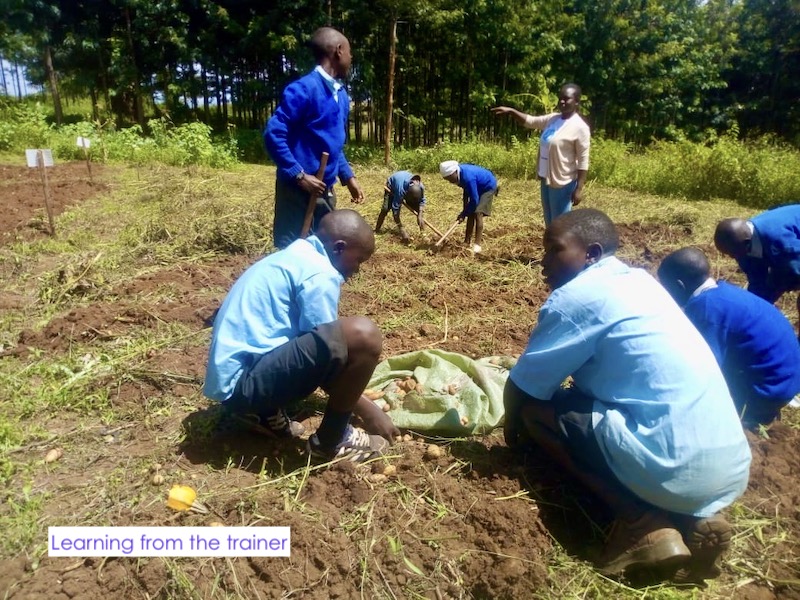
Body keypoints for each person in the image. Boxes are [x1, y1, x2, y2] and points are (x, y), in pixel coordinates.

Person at [504, 209, 751, 582]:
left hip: (670, 466)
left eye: (554, 251)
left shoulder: (576, 298)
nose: (543, 263)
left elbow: (524, 388)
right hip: (728, 468)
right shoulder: (642, 282)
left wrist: (513, 435)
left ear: (591, 253)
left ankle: (641, 523)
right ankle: (693, 516)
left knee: (539, 413)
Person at [203, 210, 399, 463]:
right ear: (339, 248)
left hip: (233, 382)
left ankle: (261, 414)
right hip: (244, 386)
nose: (357, 270)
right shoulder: (319, 274)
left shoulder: (294, 256)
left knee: (335, 338)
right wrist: (369, 412)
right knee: (363, 335)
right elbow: (329, 359)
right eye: (358, 260)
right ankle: (332, 441)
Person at [658, 247, 800, 428]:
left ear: (679, 286)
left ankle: (752, 420)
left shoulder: (706, 309)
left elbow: (705, 368)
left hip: (769, 390)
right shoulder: (723, 293)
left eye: (667, 288)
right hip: (787, 377)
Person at [264, 27, 364, 250]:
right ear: (338, 51)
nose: (351, 57)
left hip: (324, 189)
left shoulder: (341, 96)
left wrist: (348, 177)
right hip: (297, 191)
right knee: (292, 249)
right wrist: (299, 175)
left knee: (322, 248)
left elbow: (333, 146)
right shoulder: (304, 89)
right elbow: (274, 133)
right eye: (349, 52)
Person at [491, 83, 590, 226]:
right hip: (547, 178)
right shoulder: (554, 119)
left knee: (560, 224)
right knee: (549, 220)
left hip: (563, 182)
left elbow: (583, 160)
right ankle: (552, 248)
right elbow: (531, 121)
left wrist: (579, 189)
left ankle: (563, 248)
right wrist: (512, 111)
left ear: (576, 102)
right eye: (560, 98)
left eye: (566, 99)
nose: (562, 101)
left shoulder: (580, 127)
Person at [714, 205, 800, 333]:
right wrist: (752, 311)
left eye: (733, 253)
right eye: (728, 254)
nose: (732, 257)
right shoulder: (741, 244)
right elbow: (757, 282)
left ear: (747, 243)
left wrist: (778, 285)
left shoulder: (779, 240)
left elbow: (794, 270)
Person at [439, 160, 498, 253]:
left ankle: (477, 246)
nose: (450, 182)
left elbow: (474, 200)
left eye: (450, 178)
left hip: (488, 186)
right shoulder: (459, 175)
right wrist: (465, 211)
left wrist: (463, 213)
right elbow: (466, 192)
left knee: (478, 212)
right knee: (470, 213)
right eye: (447, 180)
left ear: (454, 172)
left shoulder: (468, 177)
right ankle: (467, 242)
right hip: (477, 185)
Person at [375, 171, 427, 243]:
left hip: (404, 184)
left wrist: (420, 214)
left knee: (419, 213)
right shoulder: (400, 191)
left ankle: (423, 235)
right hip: (391, 186)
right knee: (385, 208)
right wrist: (402, 230)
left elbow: (422, 201)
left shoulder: (420, 187)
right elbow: (395, 211)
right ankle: (377, 230)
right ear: (406, 195)